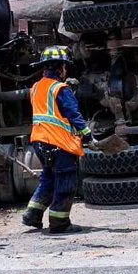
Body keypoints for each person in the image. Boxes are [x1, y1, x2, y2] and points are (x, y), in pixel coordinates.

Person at [21, 46, 93, 234]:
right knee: (66, 179)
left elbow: (50, 111)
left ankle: (32, 214)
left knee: (49, 178)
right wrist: (87, 135)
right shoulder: (60, 89)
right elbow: (73, 114)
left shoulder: (36, 87)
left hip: (39, 141)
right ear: (61, 67)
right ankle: (59, 222)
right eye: (65, 67)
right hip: (57, 143)